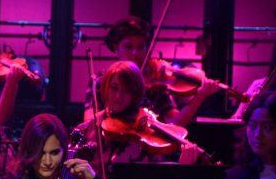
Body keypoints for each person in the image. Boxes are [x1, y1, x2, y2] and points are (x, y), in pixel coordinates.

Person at [83, 16, 218, 126]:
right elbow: (89, 121)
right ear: (116, 49)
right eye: (128, 47)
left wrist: (198, 98)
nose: (135, 53)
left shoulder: (155, 84)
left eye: (141, 47)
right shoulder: (101, 81)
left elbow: (174, 123)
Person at [77, 60, 202, 172]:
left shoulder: (145, 129)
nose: (118, 96)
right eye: (114, 88)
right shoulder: (87, 129)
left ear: (135, 93)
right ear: (105, 88)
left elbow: (159, 177)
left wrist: (182, 167)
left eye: (126, 90)